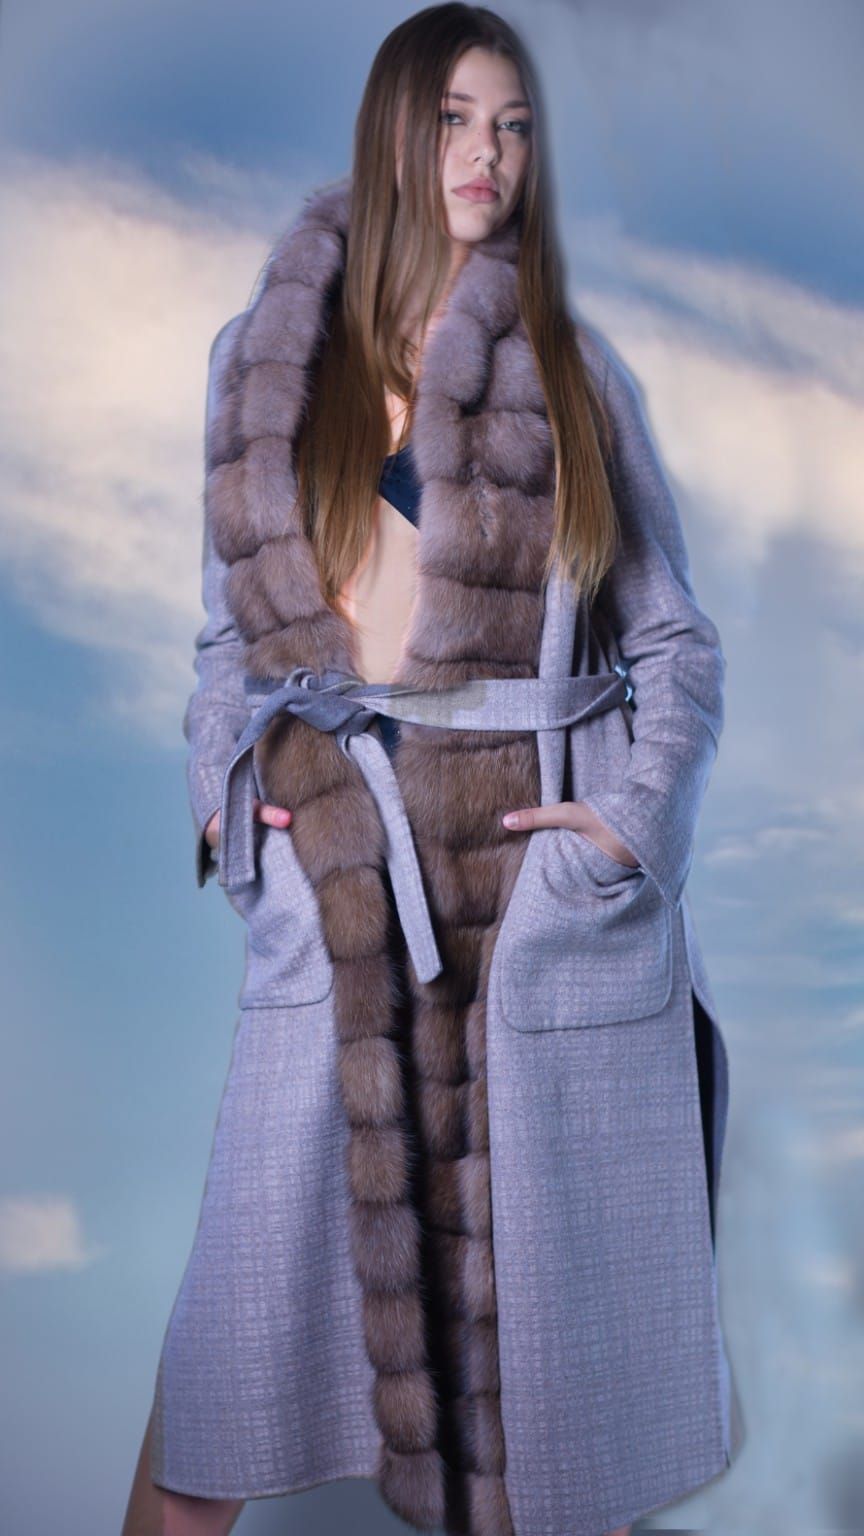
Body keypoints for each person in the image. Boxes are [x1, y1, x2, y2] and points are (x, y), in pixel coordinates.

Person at [122, 6, 743, 1535]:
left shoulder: (574, 375)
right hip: (340, 896)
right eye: (455, 119)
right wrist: (233, 815)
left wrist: (620, 836)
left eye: (513, 126)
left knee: (543, 1431)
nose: (487, 154)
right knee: (218, 1389)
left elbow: (676, 644)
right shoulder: (267, 369)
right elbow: (226, 645)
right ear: (394, 133)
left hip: (528, 913)